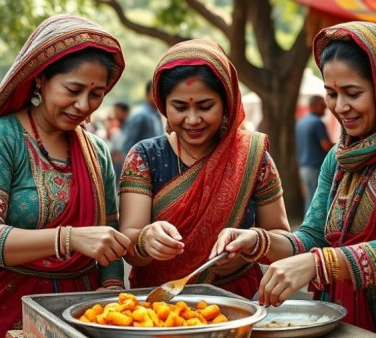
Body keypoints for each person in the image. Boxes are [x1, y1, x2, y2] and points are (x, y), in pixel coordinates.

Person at [209, 22, 376, 337]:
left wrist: (318, 265)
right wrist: (257, 242)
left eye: (353, 93)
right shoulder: (342, 156)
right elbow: (313, 237)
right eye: (331, 93)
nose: (340, 107)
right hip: (355, 315)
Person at [0, 15, 131, 337]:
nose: (83, 105)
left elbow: (109, 231)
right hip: (4, 306)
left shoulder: (96, 151)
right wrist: (69, 238)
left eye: (96, 94)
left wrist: (112, 286)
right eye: (72, 90)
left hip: (81, 310)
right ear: (39, 80)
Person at [119, 38, 291, 299]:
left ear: (226, 104)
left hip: (232, 304)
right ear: (162, 105)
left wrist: (249, 249)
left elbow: (284, 242)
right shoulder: (144, 157)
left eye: (205, 106)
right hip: (156, 306)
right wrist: (145, 239)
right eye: (179, 107)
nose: (192, 119)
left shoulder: (254, 158)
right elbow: (129, 246)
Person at [295, 95, 334, 212]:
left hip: (303, 168)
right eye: (323, 106)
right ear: (315, 105)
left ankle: (307, 226)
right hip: (316, 167)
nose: (325, 109)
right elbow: (326, 146)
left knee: (310, 198)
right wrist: (340, 145)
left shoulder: (301, 122)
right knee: (318, 200)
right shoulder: (317, 123)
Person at [120, 80, 163, 155]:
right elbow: (128, 144)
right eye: (156, 92)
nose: (159, 95)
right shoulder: (140, 115)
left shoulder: (156, 114)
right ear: (147, 94)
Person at [108, 101, 130, 178]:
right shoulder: (120, 127)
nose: (115, 114)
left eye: (117, 111)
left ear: (125, 112)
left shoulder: (130, 128)